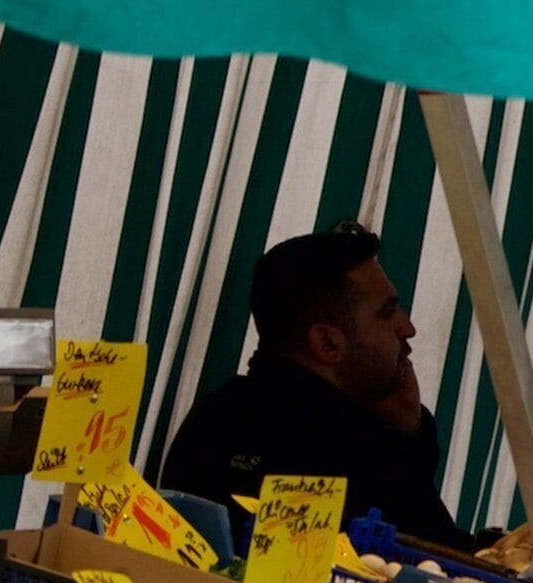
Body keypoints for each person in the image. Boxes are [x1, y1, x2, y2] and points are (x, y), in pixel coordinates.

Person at [160, 227, 483, 550]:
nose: (407, 328)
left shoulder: (213, 417)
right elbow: (453, 569)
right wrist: (406, 441)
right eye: (387, 312)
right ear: (327, 343)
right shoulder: (360, 449)